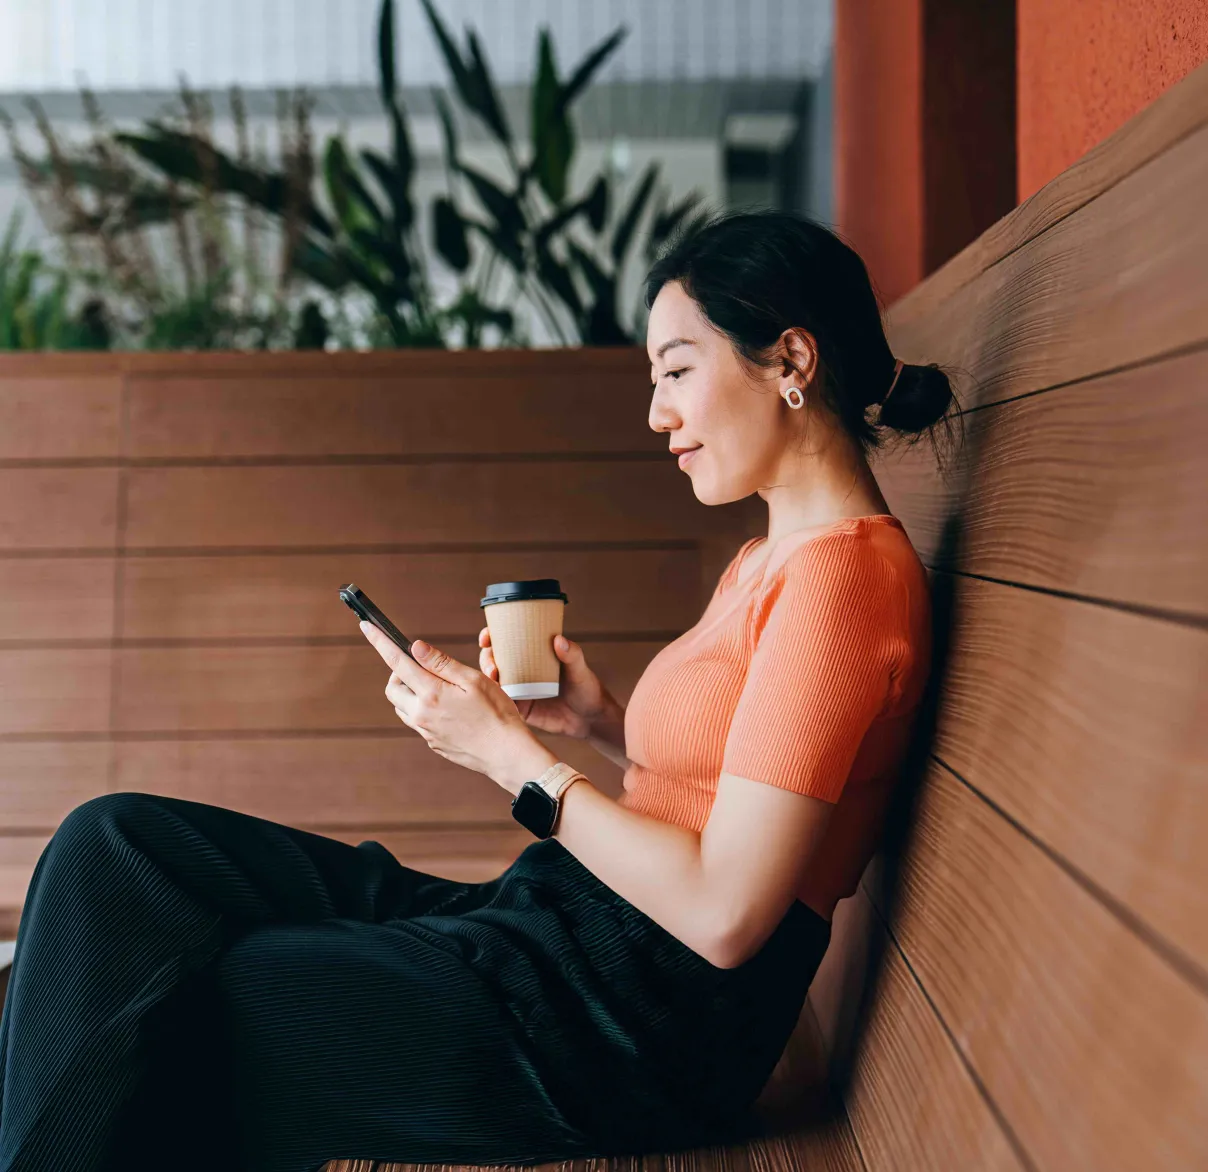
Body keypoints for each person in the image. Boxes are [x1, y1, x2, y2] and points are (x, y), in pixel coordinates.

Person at [0, 210, 955, 1172]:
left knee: (197, 993)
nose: (658, 413)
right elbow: (739, 794)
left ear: (790, 359)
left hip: (628, 1027)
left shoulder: (842, 580)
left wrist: (514, 760)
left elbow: (726, 914)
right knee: (115, 850)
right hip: (558, 932)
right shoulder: (773, 557)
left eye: (675, 370)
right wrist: (597, 725)